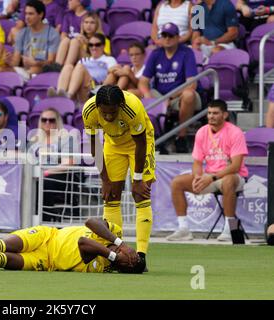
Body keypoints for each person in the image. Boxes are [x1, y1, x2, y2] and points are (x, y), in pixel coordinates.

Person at [82, 85, 156, 273]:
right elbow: (94, 145)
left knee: (141, 195)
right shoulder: (89, 110)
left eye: (112, 112)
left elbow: (140, 143)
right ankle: (116, 252)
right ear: (98, 106)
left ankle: (141, 256)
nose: (108, 116)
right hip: (113, 145)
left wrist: (138, 179)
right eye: (104, 113)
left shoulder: (133, 107)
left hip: (139, 144)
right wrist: (104, 179)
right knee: (111, 196)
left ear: (121, 105)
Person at [0, 217, 142, 273]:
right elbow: (90, 222)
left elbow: (85, 243)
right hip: (47, 236)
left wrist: (114, 256)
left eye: (129, 262)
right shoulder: (115, 234)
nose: (126, 256)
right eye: (132, 255)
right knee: (0, 245)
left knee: (3, 259)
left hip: (45, 261)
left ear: (122, 267)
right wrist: (119, 243)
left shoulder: (102, 265)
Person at [166, 99, 249, 242]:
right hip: (210, 176)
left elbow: (235, 166)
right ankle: (183, 228)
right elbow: (197, 162)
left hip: (234, 176)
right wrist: (198, 176)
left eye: (215, 113)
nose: (211, 116)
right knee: (177, 182)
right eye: (209, 113)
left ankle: (230, 229)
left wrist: (211, 178)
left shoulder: (235, 133)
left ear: (225, 115)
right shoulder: (202, 132)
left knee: (229, 181)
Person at [138, 23, 201, 153]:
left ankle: (181, 137)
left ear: (178, 37)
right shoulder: (156, 54)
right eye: (164, 35)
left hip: (179, 95)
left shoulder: (186, 52)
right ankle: (141, 137)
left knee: (189, 94)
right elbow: (143, 81)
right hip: (160, 95)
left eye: (171, 35)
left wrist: (169, 98)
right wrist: (150, 98)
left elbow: (191, 83)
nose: (167, 38)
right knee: (132, 94)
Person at [28, 108, 78, 221]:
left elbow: (69, 162)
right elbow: (26, 160)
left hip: (59, 175)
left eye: (51, 120)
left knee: (44, 183)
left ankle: (45, 218)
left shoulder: (66, 139)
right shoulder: (33, 140)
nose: (47, 123)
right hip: (36, 175)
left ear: (58, 122)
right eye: (44, 120)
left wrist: (46, 172)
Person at [49, 33, 117, 103]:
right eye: (91, 45)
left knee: (79, 67)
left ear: (103, 46)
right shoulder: (83, 60)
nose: (94, 47)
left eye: (97, 45)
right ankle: (59, 94)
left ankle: (68, 96)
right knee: (68, 66)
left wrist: (101, 87)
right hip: (80, 89)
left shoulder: (109, 60)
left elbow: (112, 76)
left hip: (94, 91)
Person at [9, 0, 60, 81]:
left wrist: (36, 63)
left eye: (31, 14)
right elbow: (15, 62)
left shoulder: (52, 34)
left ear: (41, 14)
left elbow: (51, 62)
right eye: (26, 14)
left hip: (44, 73)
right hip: (24, 72)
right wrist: (8, 61)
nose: (27, 17)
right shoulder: (22, 34)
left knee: (34, 68)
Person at [55, 0, 90, 66]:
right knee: (65, 40)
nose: (68, 1)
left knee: (74, 41)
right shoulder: (68, 15)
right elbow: (63, 35)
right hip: (70, 48)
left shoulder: (88, 17)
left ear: (79, 2)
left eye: (71, 0)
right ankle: (57, 66)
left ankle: (67, 66)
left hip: (84, 51)